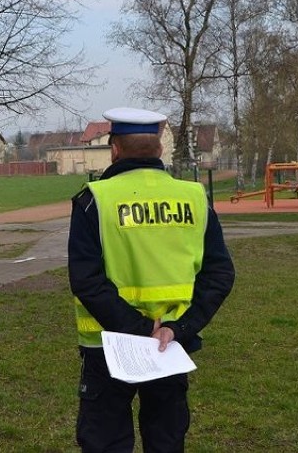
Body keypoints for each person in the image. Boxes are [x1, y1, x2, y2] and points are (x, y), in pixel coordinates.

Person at [68, 107, 236, 453]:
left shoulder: (94, 200)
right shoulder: (194, 198)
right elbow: (220, 274)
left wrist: (140, 327)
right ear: (160, 149)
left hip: (108, 346)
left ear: (114, 149)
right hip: (169, 346)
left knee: (105, 442)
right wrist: (180, 328)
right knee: (165, 440)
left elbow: (86, 280)